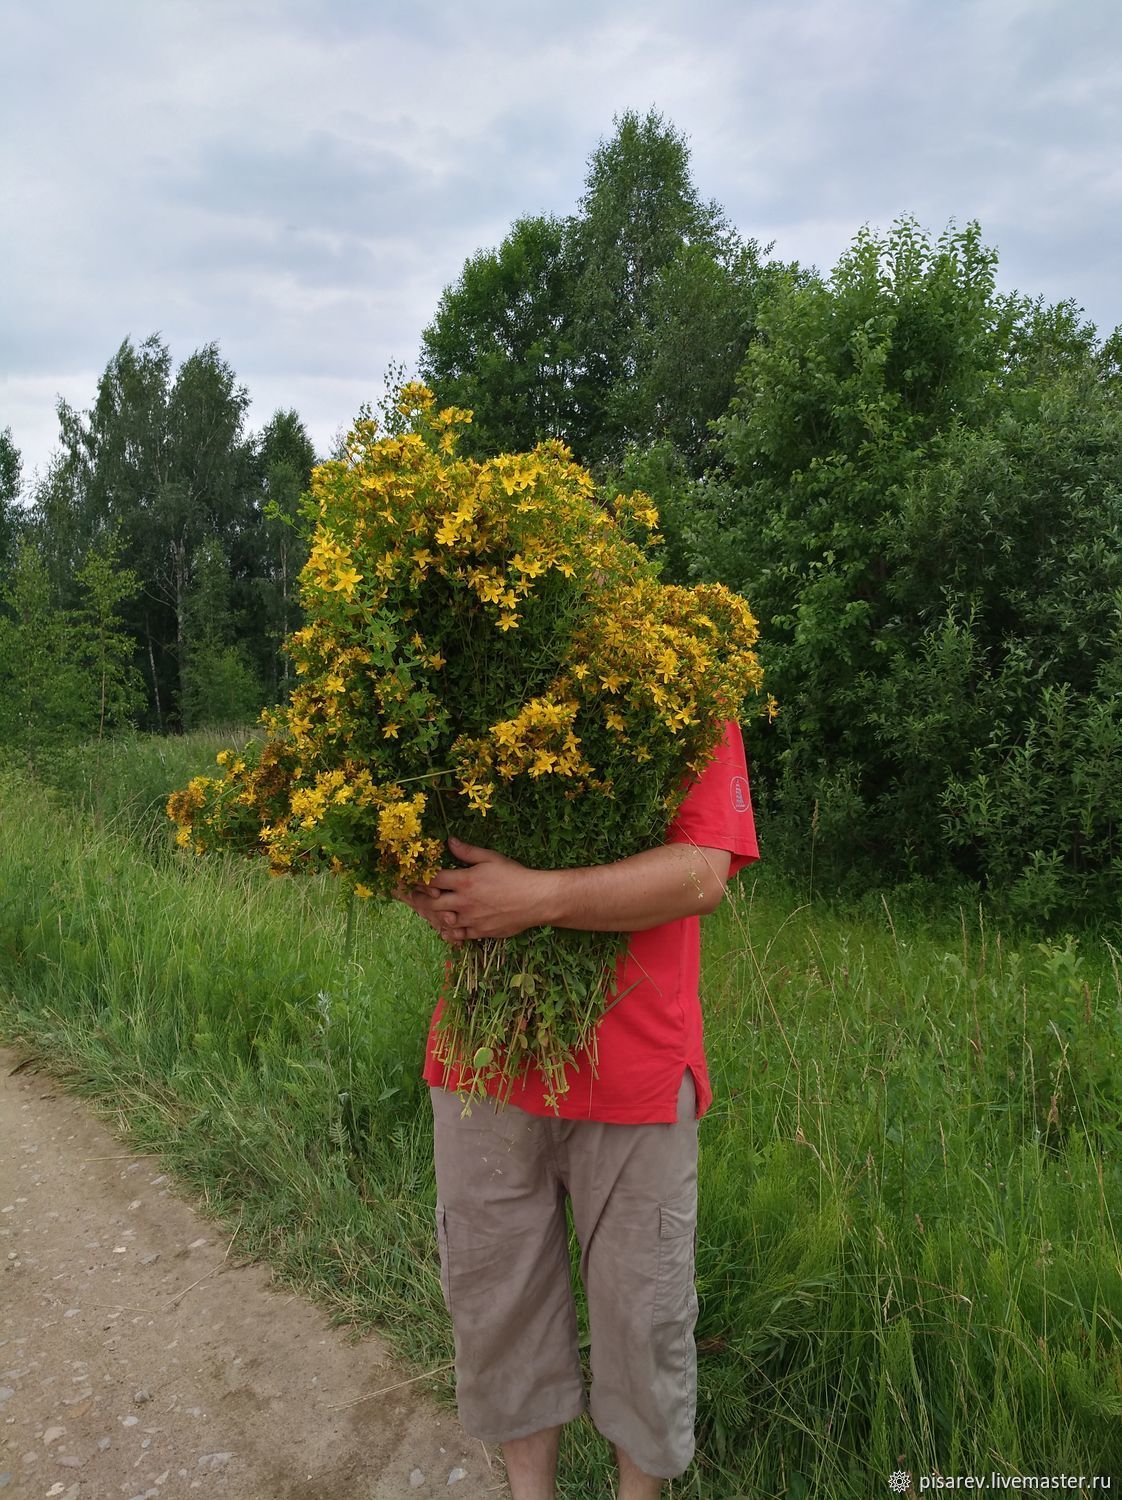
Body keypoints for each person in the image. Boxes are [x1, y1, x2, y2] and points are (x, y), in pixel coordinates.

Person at [395, 719, 759, 1500]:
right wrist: (426, 888)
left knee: (643, 1314)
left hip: (637, 1067)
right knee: (499, 1304)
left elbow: (704, 872)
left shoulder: (687, 673)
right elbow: (403, 833)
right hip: (483, 1062)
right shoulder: (460, 652)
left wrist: (538, 898)